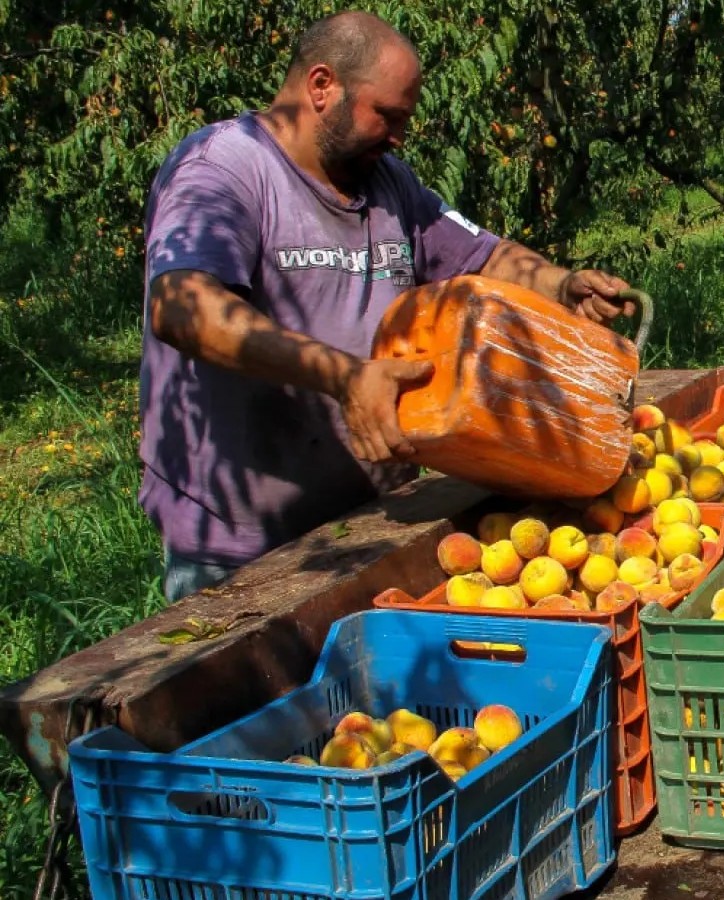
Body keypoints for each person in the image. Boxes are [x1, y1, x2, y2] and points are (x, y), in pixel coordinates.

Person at [138, 10, 633, 602]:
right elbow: (182, 306)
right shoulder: (223, 170)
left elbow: (478, 255)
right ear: (322, 86)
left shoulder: (387, 182)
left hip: (372, 519)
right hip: (241, 545)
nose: (399, 135)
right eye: (388, 116)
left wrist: (561, 284)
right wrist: (346, 378)